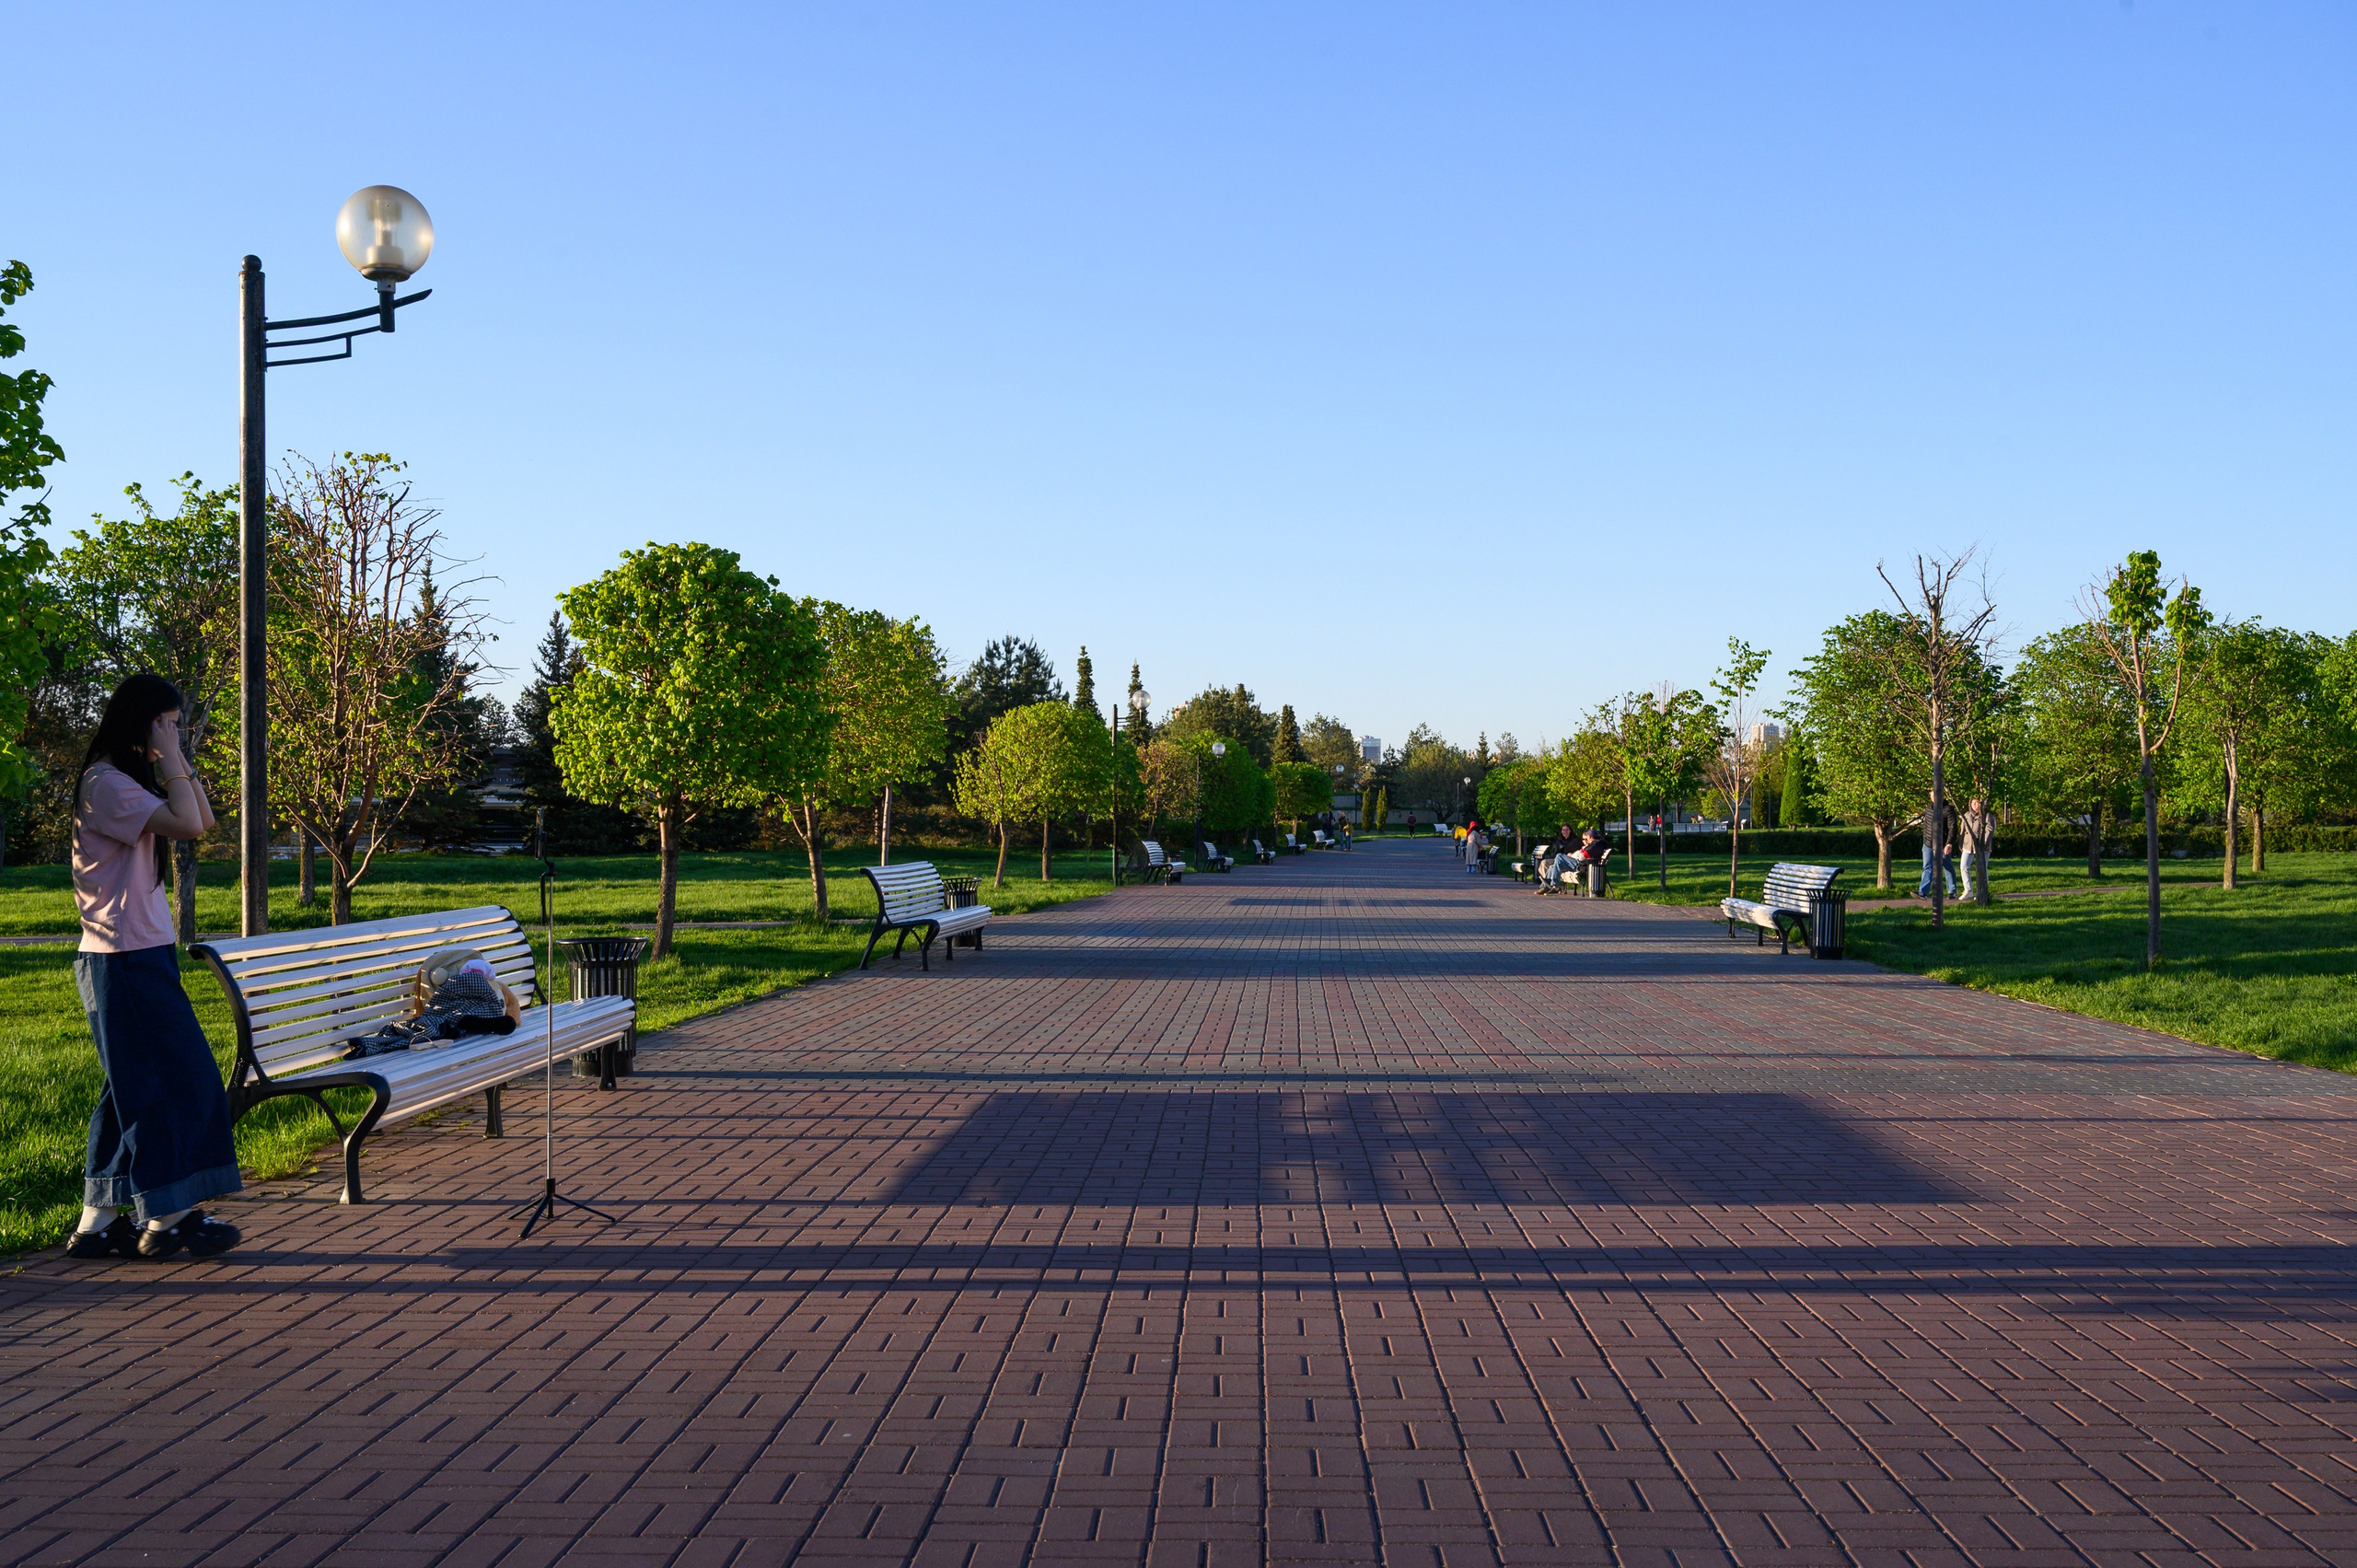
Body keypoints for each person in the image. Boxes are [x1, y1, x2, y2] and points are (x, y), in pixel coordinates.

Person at [65, 675, 242, 1261]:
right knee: (175, 1081)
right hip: (122, 959)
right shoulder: (105, 783)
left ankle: (98, 1224)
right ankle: (168, 1218)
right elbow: (189, 825)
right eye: (166, 720)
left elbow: (203, 818)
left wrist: (176, 758)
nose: (174, 729)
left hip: (139, 955)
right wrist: (169, 757)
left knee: (128, 1089)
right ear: (141, 720)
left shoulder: (125, 780)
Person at [1916, 799, 1958, 899]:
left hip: (1942, 843)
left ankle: (1952, 890)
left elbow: (1953, 827)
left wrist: (1949, 843)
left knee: (1946, 866)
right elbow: (1926, 825)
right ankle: (1923, 892)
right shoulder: (1929, 808)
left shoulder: (1948, 810)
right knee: (1927, 867)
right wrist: (1926, 840)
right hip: (1928, 843)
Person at [1959, 796, 1990, 900]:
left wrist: (1984, 843)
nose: (1974, 805)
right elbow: (1962, 830)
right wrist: (1960, 841)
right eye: (1973, 803)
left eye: (1977, 803)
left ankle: (1982, 892)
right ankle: (1968, 890)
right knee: (1964, 866)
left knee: (1982, 869)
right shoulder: (1967, 815)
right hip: (1968, 846)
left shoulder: (1986, 816)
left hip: (1981, 847)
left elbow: (1989, 831)